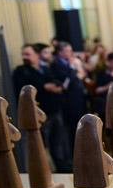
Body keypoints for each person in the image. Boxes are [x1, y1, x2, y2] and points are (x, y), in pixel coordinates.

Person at [13, 44, 72, 172]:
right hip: (39, 115)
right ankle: (46, 173)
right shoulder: (21, 71)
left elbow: (55, 81)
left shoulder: (45, 69)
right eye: (23, 54)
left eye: (28, 54)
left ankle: (62, 170)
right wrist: (44, 87)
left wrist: (56, 86)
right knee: (41, 146)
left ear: (37, 55)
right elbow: (23, 90)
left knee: (57, 143)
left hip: (55, 111)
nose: (24, 57)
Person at [51, 41, 86, 150]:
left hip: (77, 98)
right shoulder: (57, 64)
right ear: (60, 52)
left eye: (71, 51)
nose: (71, 53)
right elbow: (66, 83)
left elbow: (79, 75)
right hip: (70, 101)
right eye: (68, 51)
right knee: (73, 129)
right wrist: (71, 67)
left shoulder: (67, 62)